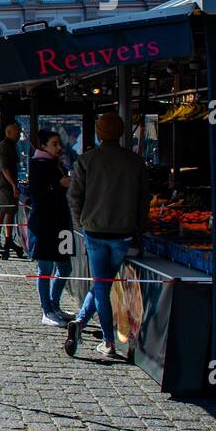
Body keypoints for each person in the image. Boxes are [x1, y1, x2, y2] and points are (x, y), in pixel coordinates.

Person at [65, 112, 148, 359]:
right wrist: (139, 228)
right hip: (123, 233)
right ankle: (82, 324)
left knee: (102, 284)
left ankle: (107, 341)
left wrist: (80, 221)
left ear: (99, 134)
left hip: (94, 231)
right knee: (103, 283)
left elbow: (74, 196)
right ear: (121, 133)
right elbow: (144, 200)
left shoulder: (86, 160)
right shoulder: (135, 162)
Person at [27, 130, 75, 327]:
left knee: (65, 266)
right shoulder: (38, 165)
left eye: (59, 143)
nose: (59, 147)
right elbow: (37, 196)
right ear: (43, 146)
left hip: (62, 222)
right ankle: (46, 310)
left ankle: (55, 306)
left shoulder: (58, 164)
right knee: (45, 268)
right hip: (45, 225)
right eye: (54, 144)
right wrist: (58, 184)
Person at [0, 120, 24, 259]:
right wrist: (13, 185)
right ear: (9, 132)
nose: (19, 135)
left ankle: (8, 240)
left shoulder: (12, 146)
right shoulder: (4, 146)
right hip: (4, 185)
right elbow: (5, 168)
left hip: (10, 185)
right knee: (2, 212)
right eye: (17, 132)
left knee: (10, 213)